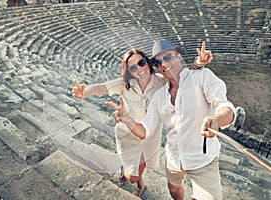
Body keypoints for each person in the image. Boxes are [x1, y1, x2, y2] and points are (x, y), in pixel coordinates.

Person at [72, 45, 212, 198]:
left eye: (141, 63)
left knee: (135, 172)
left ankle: (135, 178)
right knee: (133, 174)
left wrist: (199, 63)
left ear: (147, 62)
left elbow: (181, 76)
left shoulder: (161, 81)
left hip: (148, 135)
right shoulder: (124, 84)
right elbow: (101, 88)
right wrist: (84, 92)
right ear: (129, 72)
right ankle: (138, 182)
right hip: (128, 134)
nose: (139, 69)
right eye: (133, 68)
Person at [106, 40, 235, 200]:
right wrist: (127, 119)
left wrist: (216, 119)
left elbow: (224, 106)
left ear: (178, 56)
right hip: (174, 158)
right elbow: (145, 130)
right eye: (158, 62)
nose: (164, 64)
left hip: (203, 160)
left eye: (168, 58)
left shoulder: (202, 76)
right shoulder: (159, 96)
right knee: (174, 189)